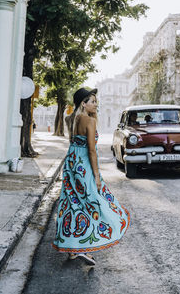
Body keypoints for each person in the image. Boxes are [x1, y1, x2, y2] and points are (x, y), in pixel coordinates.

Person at [52, 88, 130, 265]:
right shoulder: (89, 120)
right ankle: (83, 248)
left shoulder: (70, 118)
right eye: (92, 101)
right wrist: (96, 175)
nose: (96, 104)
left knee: (71, 202)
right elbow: (92, 150)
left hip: (71, 163)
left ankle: (72, 248)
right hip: (84, 165)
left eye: (96, 101)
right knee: (92, 202)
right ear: (83, 103)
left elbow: (74, 143)